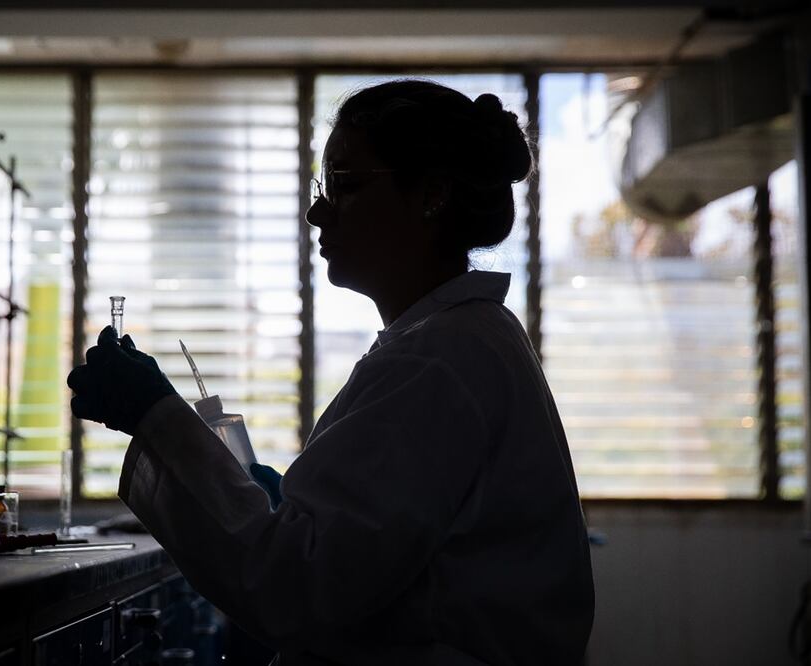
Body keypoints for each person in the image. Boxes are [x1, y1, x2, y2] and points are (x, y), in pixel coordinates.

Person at [68, 79, 595, 666]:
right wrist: (283, 506)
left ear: (432, 195)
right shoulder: (457, 340)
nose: (317, 210)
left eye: (344, 183)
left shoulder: (435, 361)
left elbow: (295, 588)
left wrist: (154, 416)